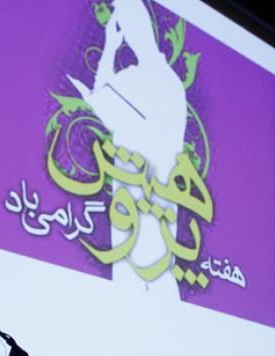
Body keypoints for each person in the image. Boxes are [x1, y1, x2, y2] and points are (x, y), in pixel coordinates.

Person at [67, 0, 189, 299]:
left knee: (149, 268)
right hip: (133, 187)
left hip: (151, 188)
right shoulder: (145, 75)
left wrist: (109, 50)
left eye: (135, 26)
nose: (134, 33)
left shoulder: (160, 80)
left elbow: (103, 100)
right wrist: (110, 46)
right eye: (127, 27)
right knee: (134, 268)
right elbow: (105, 94)